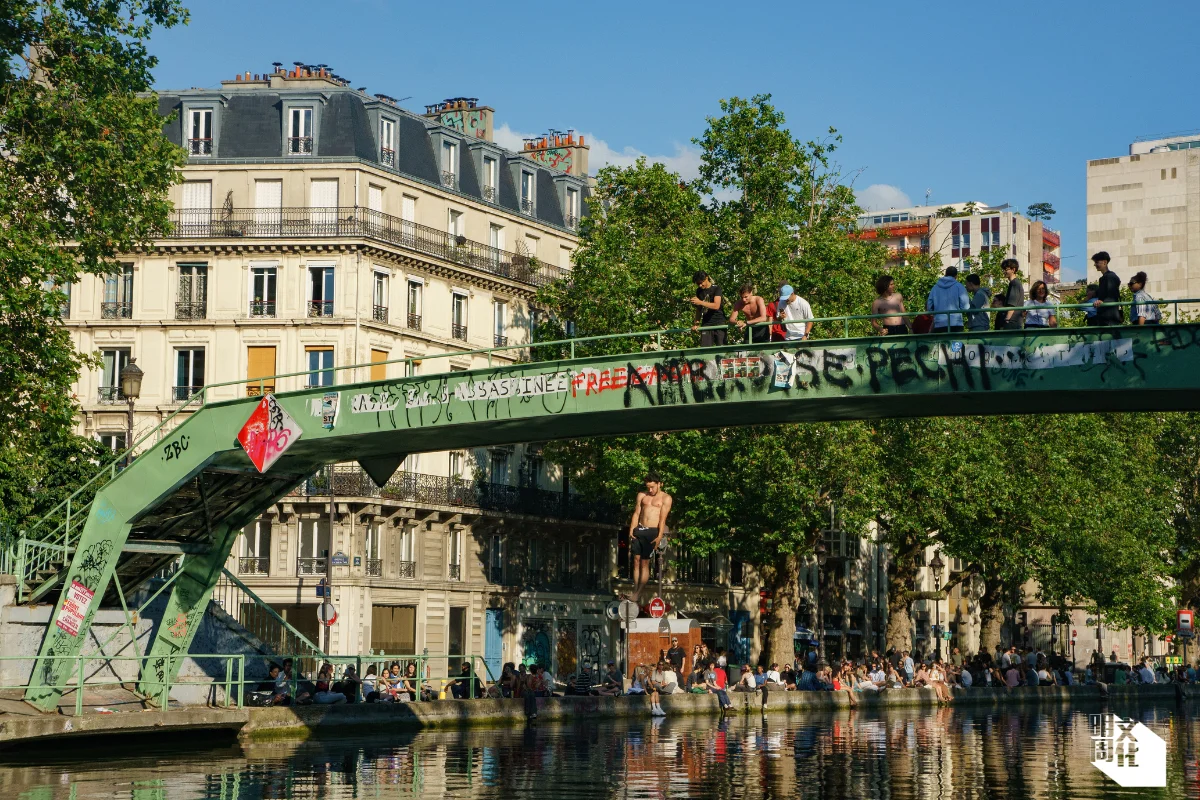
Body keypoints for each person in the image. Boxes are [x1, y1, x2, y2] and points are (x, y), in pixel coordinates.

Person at [627, 472, 672, 604]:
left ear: (659, 484)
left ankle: (639, 592)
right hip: (640, 529)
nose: (650, 490)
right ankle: (635, 591)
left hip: (652, 531)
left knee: (644, 562)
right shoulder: (642, 496)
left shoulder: (666, 498)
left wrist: (659, 536)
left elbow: (663, 518)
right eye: (648, 487)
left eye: (652, 487)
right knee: (635, 560)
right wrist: (631, 529)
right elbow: (636, 513)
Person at [925, 266, 970, 333]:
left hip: (939, 323)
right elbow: (966, 307)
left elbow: (929, 306)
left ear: (945, 274)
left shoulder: (935, 287)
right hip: (956, 323)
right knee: (956, 343)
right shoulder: (959, 286)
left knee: (941, 343)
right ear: (956, 276)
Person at [690, 270, 727, 346]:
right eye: (698, 284)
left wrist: (700, 302)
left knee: (722, 349)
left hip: (719, 322)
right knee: (705, 349)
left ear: (706, 278)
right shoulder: (699, 291)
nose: (700, 285)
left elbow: (716, 306)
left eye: (701, 282)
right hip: (706, 323)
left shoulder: (716, 289)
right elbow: (699, 309)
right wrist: (696, 323)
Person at [1092, 251, 1123, 326]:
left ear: (1105, 262)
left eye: (1097, 262)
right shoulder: (1105, 278)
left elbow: (1112, 296)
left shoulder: (1110, 277)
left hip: (1109, 317)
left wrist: (1102, 302)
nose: (1095, 264)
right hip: (1106, 316)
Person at [998, 259, 1026, 329]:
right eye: (1003, 269)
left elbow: (1012, 304)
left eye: (1006, 269)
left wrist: (1007, 319)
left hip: (1012, 322)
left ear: (1013, 270)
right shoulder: (1014, 283)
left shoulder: (1015, 283)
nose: (1004, 271)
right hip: (1015, 321)